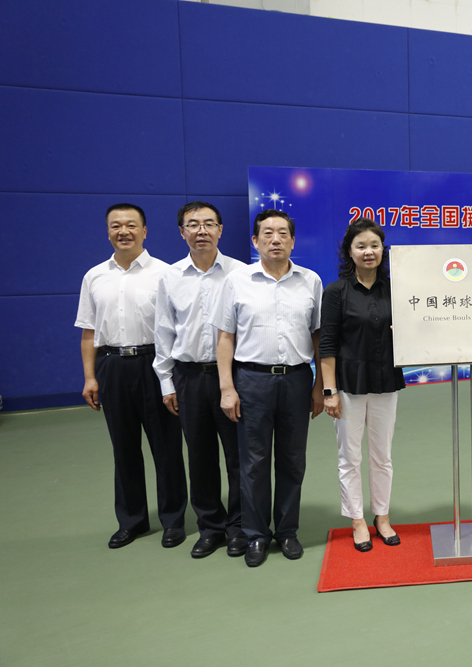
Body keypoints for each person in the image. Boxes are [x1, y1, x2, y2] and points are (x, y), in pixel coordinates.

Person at [210, 209, 324, 568]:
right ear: (255, 240)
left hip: (297, 379)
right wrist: (227, 388)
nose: (276, 239)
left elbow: (319, 337)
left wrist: (320, 385)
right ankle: (256, 534)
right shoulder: (237, 281)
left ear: (293, 241)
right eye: (268, 233)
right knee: (254, 463)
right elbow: (225, 338)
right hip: (252, 381)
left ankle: (287, 531)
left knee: (292, 459)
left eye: (283, 233)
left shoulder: (310, 281)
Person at [76, 203, 187, 549]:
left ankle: (173, 520)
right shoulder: (94, 276)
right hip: (112, 366)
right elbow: (89, 333)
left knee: (166, 448)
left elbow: (178, 329)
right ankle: (132, 521)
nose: (123, 231)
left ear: (144, 231)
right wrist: (90, 377)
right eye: (116, 226)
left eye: (131, 225)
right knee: (123, 448)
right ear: (108, 232)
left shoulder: (166, 274)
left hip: (156, 364)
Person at [153, 201, 247, 559]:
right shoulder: (170, 277)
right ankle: (211, 527)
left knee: (239, 456)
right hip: (189, 377)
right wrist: (167, 382)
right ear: (182, 232)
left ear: (221, 230)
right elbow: (163, 332)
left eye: (209, 223)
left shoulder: (240, 274)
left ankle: (239, 526)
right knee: (200, 456)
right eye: (193, 224)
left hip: (234, 377)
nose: (201, 230)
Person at [319, 218, 406, 552]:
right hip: (348, 385)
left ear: (383, 250)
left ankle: (382, 516)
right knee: (350, 457)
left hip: (385, 381)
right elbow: (327, 345)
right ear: (349, 251)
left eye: (374, 245)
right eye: (361, 246)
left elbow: (412, 331)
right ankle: (357, 520)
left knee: (383, 456)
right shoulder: (336, 292)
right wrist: (329, 392)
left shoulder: (396, 289)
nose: (369, 252)